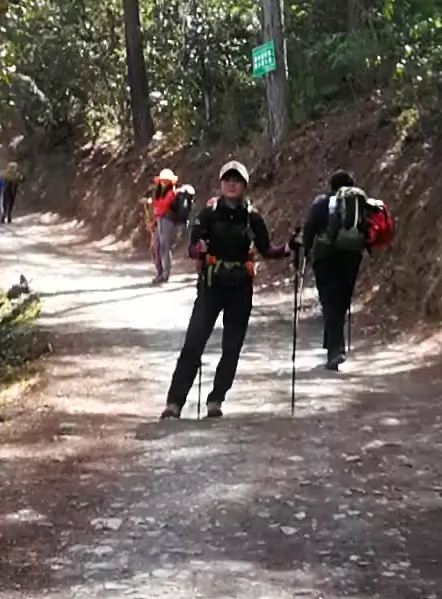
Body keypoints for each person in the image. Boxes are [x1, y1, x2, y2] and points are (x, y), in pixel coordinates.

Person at [161, 161, 291, 420]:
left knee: (231, 347)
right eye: (227, 179)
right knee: (193, 344)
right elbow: (192, 246)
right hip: (211, 287)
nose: (231, 184)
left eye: (237, 180)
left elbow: (266, 250)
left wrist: (289, 249)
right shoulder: (208, 215)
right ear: (221, 184)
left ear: (244, 186)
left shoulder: (253, 217)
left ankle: (216, 400)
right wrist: (198, 249)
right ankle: (174, 404)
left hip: (240, 290)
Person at [301, 170, 392, 371]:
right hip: (352, 256)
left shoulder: (322, 202)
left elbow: (310, 227)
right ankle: (333, 345)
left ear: (331, 185)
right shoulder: (360, 203)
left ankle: (336, 350)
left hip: (325, 257)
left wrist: (306, 251)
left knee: (329, 301)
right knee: (341, 301)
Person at [151, 169, 180, 284]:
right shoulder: (162, 193)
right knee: (156, 247)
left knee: (164, 247)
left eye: (166, 181)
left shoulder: (171, 193)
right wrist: (154, 221)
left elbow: (163, 206)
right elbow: (159, 209)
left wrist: (151, 203)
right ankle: (160, 272)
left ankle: (165, 275)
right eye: (162, 180)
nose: (163, 182)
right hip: (160, 221)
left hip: (167, 221)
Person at [0, 160, 22, 225]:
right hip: (11, 191)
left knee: (5, 204)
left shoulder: (4, 173)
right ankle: (7, 216)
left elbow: (0, 179)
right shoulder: (16, 174)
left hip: (7, 191)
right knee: (10, 204)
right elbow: (22, 179)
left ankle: (4, 216)